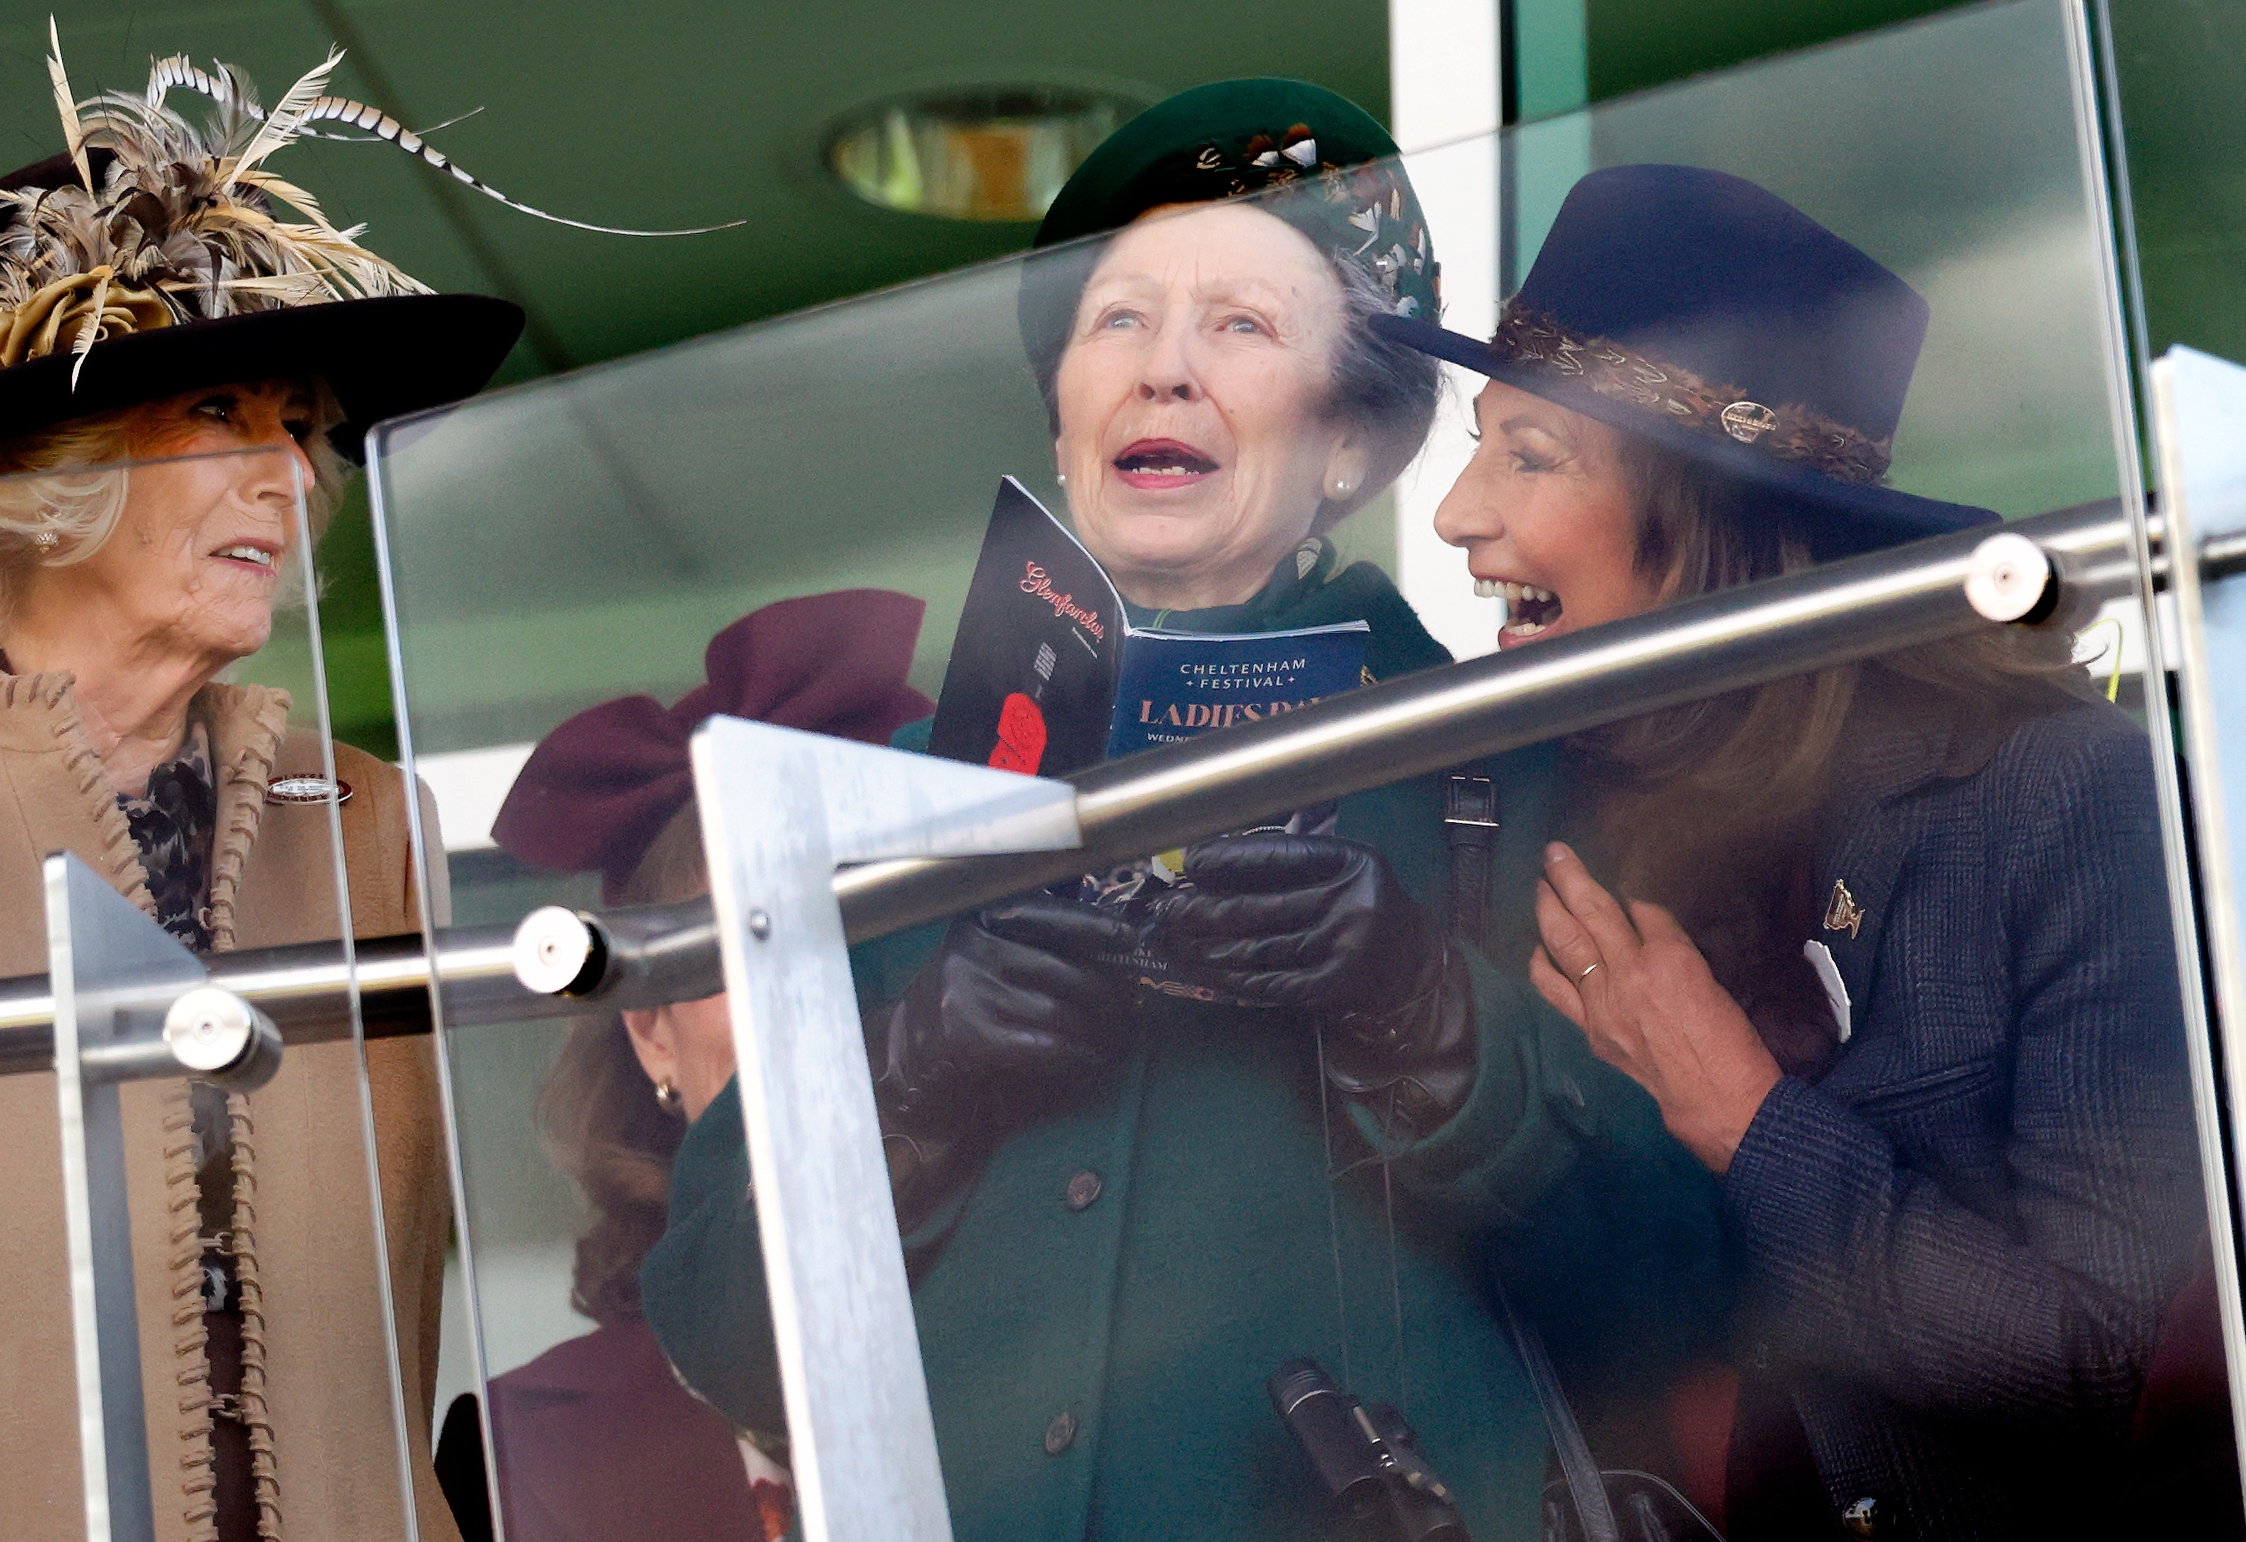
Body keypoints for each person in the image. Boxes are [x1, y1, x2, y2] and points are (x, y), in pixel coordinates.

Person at [0, 34, 710, 1542]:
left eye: (300, 423)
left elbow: (388, 1332)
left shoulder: (364, 819)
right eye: (220, 416)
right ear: (39, 470)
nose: (289, 475)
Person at [637, 82, 1731, 1542]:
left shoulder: (1514, 771)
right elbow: (715, 1330)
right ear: (1066, 412)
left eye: (1242, 326)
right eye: (1119, 322)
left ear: (1351, 444)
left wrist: (1423, 1015)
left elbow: (1676, 1302)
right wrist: (917, 1075)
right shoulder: (887, 802)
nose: (1165, 372)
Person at [1380, 163, 2211, 1538]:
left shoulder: (2053, 795)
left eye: (1530, 456)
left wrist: (1746, 1115)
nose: (1460, 512)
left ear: (1716, 517)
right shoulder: (1525, 812)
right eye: (1481, 444)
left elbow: (2102, 1367)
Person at [478, 589, 938, 1542]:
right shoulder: (516, 1455)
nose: (822, 995)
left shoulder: (1120, 1342)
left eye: (872, 934)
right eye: (757, 942)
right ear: (649, 1030)